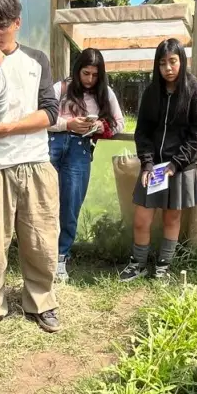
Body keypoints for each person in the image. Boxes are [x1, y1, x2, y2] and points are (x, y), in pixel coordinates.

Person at [0, 0, 62, 339]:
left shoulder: (37, 60)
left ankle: (41, 301)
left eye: (2, 25)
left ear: (17, 23)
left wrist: (10, 127)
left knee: (40, 237)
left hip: (36, 161)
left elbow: (50, 112)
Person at [120, 38, 197, 281]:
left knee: (172, 217)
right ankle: (137, 263)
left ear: (182, 60)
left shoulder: (196, 91)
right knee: (141, 219)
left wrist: (175, 164)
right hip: (155, 168)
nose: (167, 68)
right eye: (162, 63)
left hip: (179, 166)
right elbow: (143, 131)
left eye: (172, 61)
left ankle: (163, 267)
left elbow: (196, 134)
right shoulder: (151, 92)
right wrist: (148, 163)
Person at [49, 48, 125, 282]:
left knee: (71, 204)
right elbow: (44, 118)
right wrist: (68, 124)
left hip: (80, 149)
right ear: (77, 69)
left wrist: (103, 127)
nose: (90, 79)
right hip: (52, 144)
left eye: (95, 75)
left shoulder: (105, 92)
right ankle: (42, 254)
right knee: (44, 201)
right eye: (86, 73)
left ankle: (61, 256)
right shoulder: (61, 88)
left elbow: (119, 122)